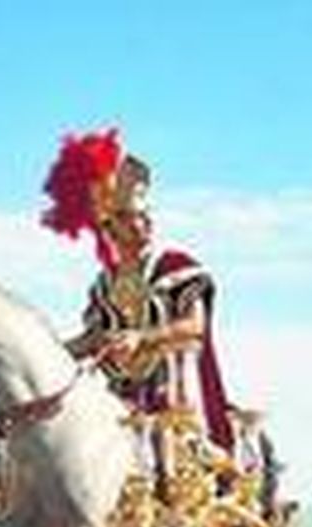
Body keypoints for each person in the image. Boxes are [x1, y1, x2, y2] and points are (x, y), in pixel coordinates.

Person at [42, 127, 237, 452]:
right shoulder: (104, 285)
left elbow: (195, 326)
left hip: (179, 395)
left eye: (146, 216)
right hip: (124, 403)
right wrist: (47, 351)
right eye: (132, 218)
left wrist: (141, 338)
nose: (144, 224)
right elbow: (94, 339)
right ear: (110, 228)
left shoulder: (175, 266)